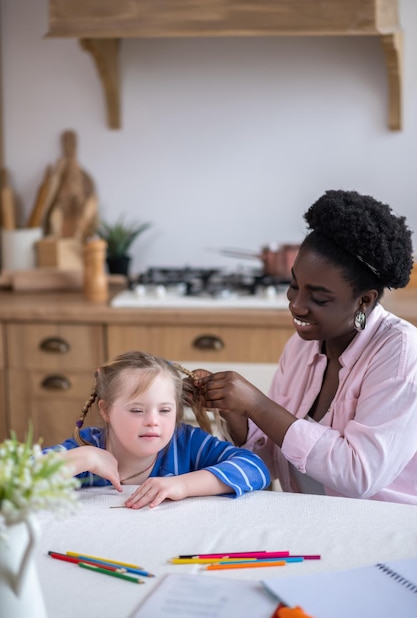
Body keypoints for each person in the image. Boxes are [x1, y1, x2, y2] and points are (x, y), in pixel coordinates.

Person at [193, 190, 417, 505]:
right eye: (294, 285)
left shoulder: (401, 356)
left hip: (384, 530)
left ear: (364, 301)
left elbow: (358, 475)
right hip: (310, 517)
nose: (297, 306)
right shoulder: (302, 347)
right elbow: (274, 459)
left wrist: (258, 405)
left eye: (319, 298)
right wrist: (236, 413)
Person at [43, 351, 270, 509]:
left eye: (164, 410)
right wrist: (83, 459)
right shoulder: (87, 448)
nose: (153, 421)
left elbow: (256, 469)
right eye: (136, 410)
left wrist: (183, 485)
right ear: (106, 410)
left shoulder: (186, 444)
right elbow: (12, 482)